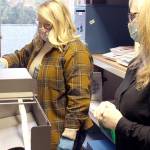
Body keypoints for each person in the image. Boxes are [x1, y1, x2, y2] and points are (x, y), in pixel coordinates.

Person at [0, 0, 93, 149]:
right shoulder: (41, 43)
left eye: (47, 25)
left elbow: (79, 99)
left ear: (60, 23)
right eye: (39, 24)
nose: (42, 29)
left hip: (61, 128)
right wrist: (3, 61)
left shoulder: (75, 51)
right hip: (41, 118)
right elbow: (21, 56)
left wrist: (69, 135)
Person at [93, 0, 150, 150]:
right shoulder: (136, 62)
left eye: (133, 16)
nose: (129, 22)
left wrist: (119, 123)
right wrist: (111, 106)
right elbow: (133, 107)